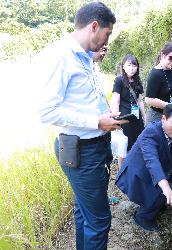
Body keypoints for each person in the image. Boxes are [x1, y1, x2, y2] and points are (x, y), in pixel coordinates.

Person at [36, 3, 124, 249]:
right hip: (81, 151)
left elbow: (87, 98)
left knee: (83, 211)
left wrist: (106, 114)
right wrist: (97, 121)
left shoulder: (87, 58)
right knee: (99, 220)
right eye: (107, 34)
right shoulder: (60, 56)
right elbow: (46, 111)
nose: (107, 41)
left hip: (93, 148)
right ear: (94, 26)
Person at [116, 104, 172, 232]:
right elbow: (152, 161)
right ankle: (142, 217)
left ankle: (156, 201)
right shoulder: (151, 132)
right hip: (137, 176)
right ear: (163, 119)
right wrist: (166, 189)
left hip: (155, 170)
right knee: (165, 188)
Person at [111, 54, 146, 169]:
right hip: (125, 118)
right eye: (129, 65)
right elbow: (115, 101)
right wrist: (116, 119)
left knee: (137, 144)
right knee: (123, 146)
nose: (131, 68)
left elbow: (140, 101)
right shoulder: (119, 80)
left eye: (134, 65)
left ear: (137, 67)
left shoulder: (138, 81)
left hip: (136, 118)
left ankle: (135, 169)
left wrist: (144, 116)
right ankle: (122, 173)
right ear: (124, 67)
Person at [145, 42, 172, 125]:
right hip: (157, 117)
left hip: (170, 115)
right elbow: (149, 99)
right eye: (171, 58)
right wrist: (169, 106)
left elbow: (171, 89)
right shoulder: (155, 74)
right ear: (163, 55)